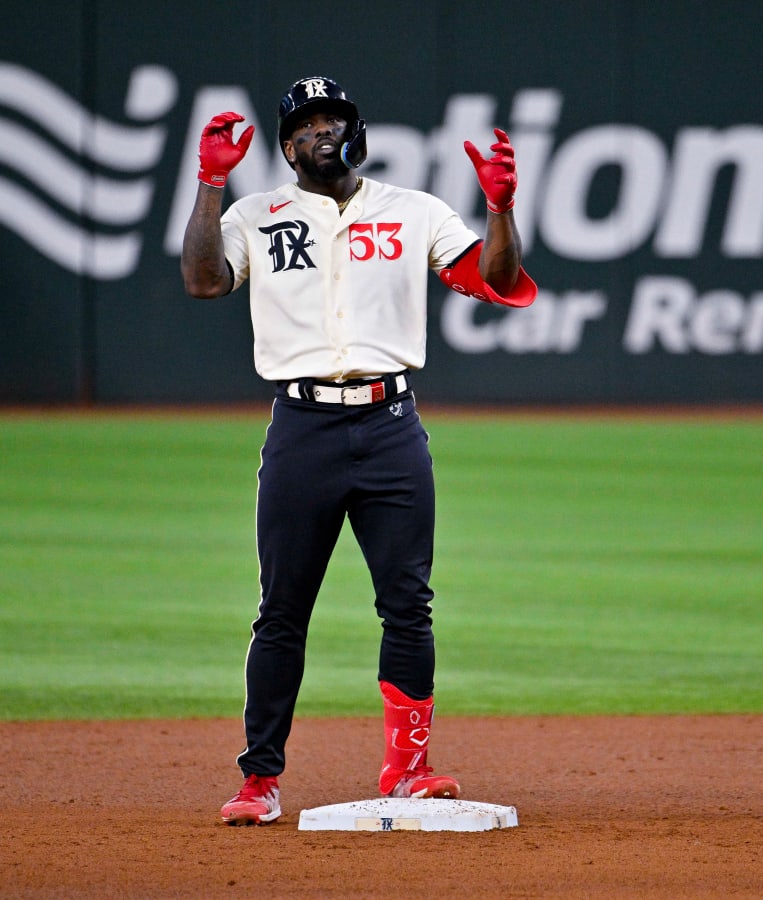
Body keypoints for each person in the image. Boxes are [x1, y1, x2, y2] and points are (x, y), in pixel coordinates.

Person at [181, 75, 536, 825]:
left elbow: (495, 277)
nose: (319, 133)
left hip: (390, 425)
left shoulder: (415, 212)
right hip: (301, 429)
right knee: (281, 612)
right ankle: (259, 781)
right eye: (303, 126)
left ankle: (408, 769)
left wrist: (502, 207)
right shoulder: (256, 214)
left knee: (408, 607)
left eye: (331, 119)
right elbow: (204, 280)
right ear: (284, 148)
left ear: (356, 130)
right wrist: (211, 182)